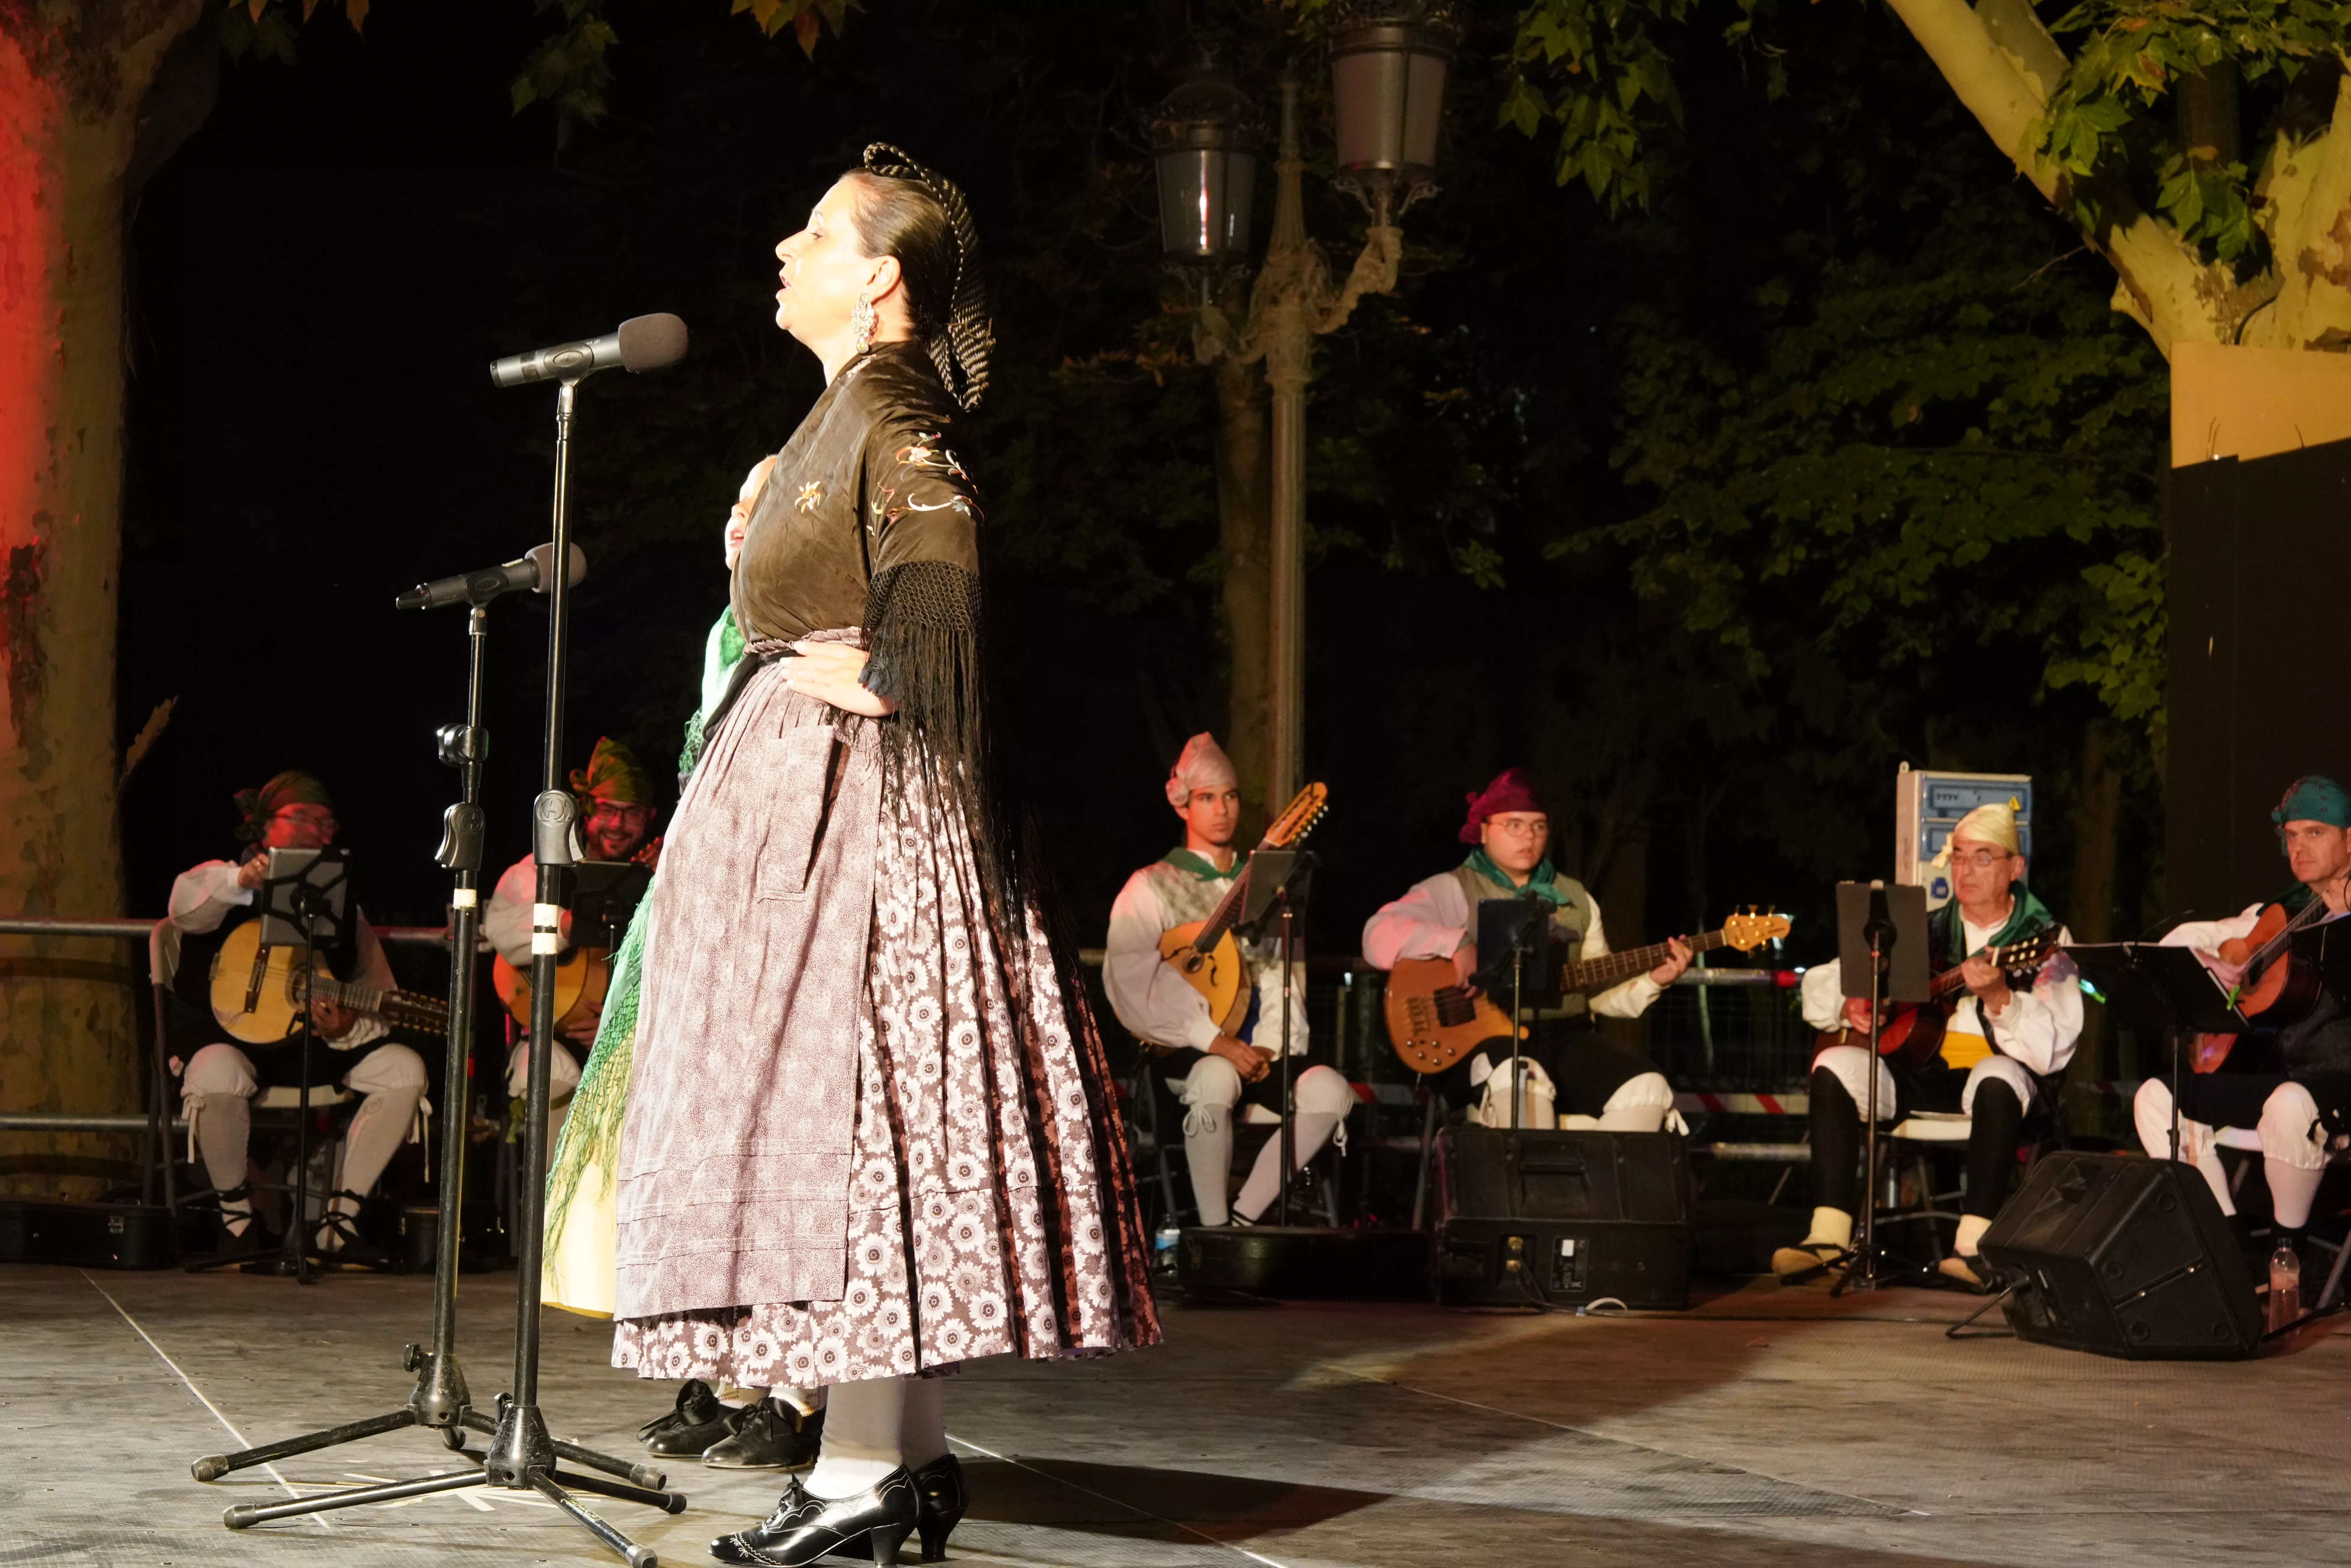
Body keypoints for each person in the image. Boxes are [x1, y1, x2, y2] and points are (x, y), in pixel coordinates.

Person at [607, 144, 1157, 1567]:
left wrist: (895, 674)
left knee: (854, 1122)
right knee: (858, 1127)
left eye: (813, 233)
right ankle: (892, 1456)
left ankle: (860, 1473)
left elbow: (945, 540)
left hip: (850, 812)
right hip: (803, 792)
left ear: (879, 278)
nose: (784, 250)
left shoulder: (893, 400)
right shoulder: (845, 408)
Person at [1775, 801, 2080, 1287]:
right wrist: (1852, 1002)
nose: (1967, 869)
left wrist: (2002, 997)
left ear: (2014, 867)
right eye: (1959, 856)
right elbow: (1822, 983)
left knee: (1997, 1075)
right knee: (1834, 1061)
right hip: (1915, 1073)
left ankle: (1974, 1247)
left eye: (1983, 857)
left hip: (2001, 1089)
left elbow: (2054, 1049)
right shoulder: (1924, 927)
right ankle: (1828, 1234)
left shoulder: (2042, 936)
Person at [168, 771, 428, 1261]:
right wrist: (240, 881)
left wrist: (348, 1025)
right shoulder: (221, 881)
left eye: (327, 822)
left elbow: (378, 991)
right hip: (224, 1038)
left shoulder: (344, 907)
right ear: (265, 828)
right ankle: (238, 1223)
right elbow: (183, 909)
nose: (318, 830)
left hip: (304, 1047)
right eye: (302, 818)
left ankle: (338, 1223)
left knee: (404, 1069)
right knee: (217, 1070)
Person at [1104, 733, 1353, 1227]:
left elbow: (1285, 971)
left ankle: (1242, 1221)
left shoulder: (1270, 881)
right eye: (1207, 797)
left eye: (1231, 795)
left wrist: (1271, 1044)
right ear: (1183, 805)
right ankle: (1212, 1233)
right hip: (1188, 1048)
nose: (1222, 809)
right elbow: (1129, 981)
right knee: (1215, 1076)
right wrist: (1213, 1039)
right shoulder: (1151, 884)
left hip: (1261, 1046)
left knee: (1330, 1089)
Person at [1362, 767, 1691, 1134]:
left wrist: (1651, 980)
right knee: (1519, 1079)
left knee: (1646, 1088)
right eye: (1514, 825)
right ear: (1485, 831)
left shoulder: (1577, 899)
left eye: (1538, 826)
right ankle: (1528, 1189)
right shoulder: (1453, 889)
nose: (1528, 837)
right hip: (1486, 1041)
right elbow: (1376, 937)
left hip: (1565, 1039)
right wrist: (1454, 943)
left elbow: (1597, 995)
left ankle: (1595, 1187)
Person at [2134, 775, 2351, 1269]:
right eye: (2291, 835)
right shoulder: (2284, 906)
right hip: (2287, 1075)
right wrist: (2223, 957)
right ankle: (2231, 1247)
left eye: (2315, 832)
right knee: (2157, 1095)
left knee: (2288, 1102)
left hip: (2341, 1079)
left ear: (2350, 838)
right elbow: (2200, 940)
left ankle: (2286, 1255)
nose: (2299, 846)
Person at [483, 735, 662, 1152]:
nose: (618, 825)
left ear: (650, 817)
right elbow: (501, 935)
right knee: (542, 1074)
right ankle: (549, 1211)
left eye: (631, 814)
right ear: (587, 809)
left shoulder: (663, 880)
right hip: (553, 1038)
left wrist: (627, 1025)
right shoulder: (545, 871)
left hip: (638, 1043)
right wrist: (566, 924)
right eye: (608, 811)